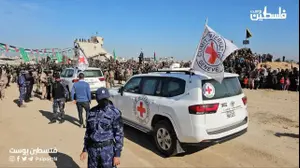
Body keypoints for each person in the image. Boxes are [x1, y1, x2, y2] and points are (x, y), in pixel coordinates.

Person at [80, 87, 124, 168]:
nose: (103, 101)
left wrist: (117, 155)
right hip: (93, 151)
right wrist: (85, 150)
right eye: (101, 99)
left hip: (107, 152)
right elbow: (88, 133)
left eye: (105, 98)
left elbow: (119, 134)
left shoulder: (115, 113)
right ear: (97, 99)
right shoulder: (92, 112)